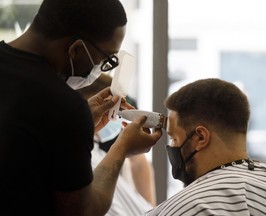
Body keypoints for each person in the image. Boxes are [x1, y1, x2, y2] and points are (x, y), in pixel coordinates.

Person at [0, 0, 162, 215]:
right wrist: (121, 148)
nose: (103, 69)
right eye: (107, 59)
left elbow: (23, 148)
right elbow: (84, 210)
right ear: (77, 49)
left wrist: (82, 127)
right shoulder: (63, 105)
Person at [145, 78, 266, 216]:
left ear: (201, 137)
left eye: (173, 138)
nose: (172, 146)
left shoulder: (192, 207)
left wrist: (123, 149)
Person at [79, 74, 157, 215]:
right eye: (115, 110)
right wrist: (122, 148)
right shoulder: (86, 160)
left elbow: (139, 163)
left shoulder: (95, 153)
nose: (118, 116)